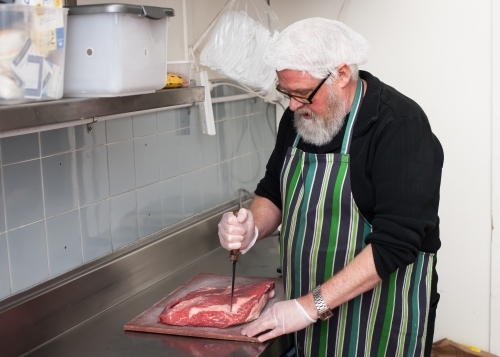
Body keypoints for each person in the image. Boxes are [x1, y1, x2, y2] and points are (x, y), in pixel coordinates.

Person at [218, 17, 443, 357]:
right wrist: (253, 225)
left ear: (340, 74)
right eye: (286, 92)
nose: (292, 105)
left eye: (302, 93)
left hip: (378, 320)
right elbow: (273, 192)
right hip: (305, 317)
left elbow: (396, 244)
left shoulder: (400, 126)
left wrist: (309, 307)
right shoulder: (299, 119)